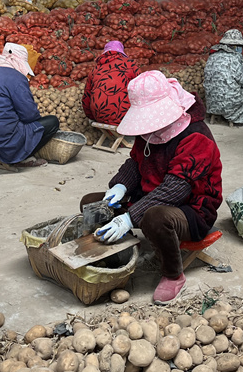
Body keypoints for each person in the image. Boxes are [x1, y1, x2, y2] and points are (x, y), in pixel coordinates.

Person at [83, 71, 223, 304]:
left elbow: (175, 190)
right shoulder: (149, 132)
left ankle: (173, 275)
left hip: (192, 209)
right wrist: (120, 185)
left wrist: (129, 217)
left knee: (155, 218)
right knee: (92, 203)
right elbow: (136, 162)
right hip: (150, 196)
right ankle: (120, 252)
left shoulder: (196, 137)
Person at [0, 43, 59, 167]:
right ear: (20, 63)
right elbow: (29, 115)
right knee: (52, 122)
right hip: (0, 136)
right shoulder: (17, 78)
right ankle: (21, 157)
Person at [81, 40, 140, 125]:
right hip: (124, 116)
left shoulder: (95, 70)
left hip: (99, 117)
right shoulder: (130, 64)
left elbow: (86, 98)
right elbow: (142, 89)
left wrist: (92, 116)